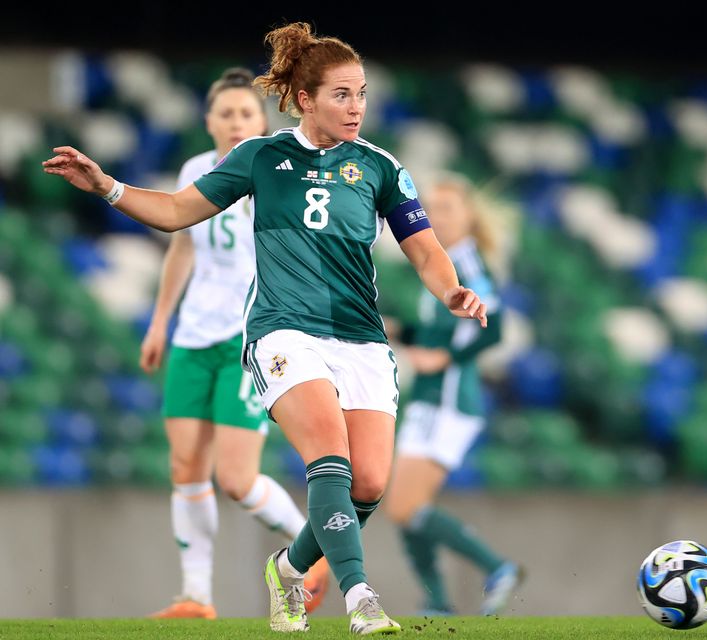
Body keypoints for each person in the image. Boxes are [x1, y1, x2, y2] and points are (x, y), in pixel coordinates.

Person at [43, 21, 489, 635]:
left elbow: (425, 249)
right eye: (341, 94)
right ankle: (360, 597)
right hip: (283, 331)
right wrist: (108, 186)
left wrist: (451, 290)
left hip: (359, 337)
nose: (356, 106)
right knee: (328, 455)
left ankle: (287, 567)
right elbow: (177, 213)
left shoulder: (381, 166)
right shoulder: (260, 156)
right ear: (305, 99)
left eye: (360, 93)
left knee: (370, 483)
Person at [139, 67, 328, 619]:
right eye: (226, 114)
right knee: (185, 467)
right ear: (210, 122)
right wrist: (159, 321)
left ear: (261, 119)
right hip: (194, 336)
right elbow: (184, 247)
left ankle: (311, 553)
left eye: (246, 113)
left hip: (251, 337)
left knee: (237, 478)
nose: (236, 122)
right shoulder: (197, 170)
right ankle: (196, 596)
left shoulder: (280, 168)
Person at [384, 173, 523, 616]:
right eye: (431, 208)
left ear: (467, 216)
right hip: (430, 397)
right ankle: (438, 602)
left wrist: (446, 359)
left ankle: (496, 567)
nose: (436, 216)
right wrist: (401, 331)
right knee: (406, 508)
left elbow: (494, 327)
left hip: (447, 399)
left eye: (446, 208)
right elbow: (437, 330)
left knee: (404, 506)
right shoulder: (442, 261)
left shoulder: (469, 262)